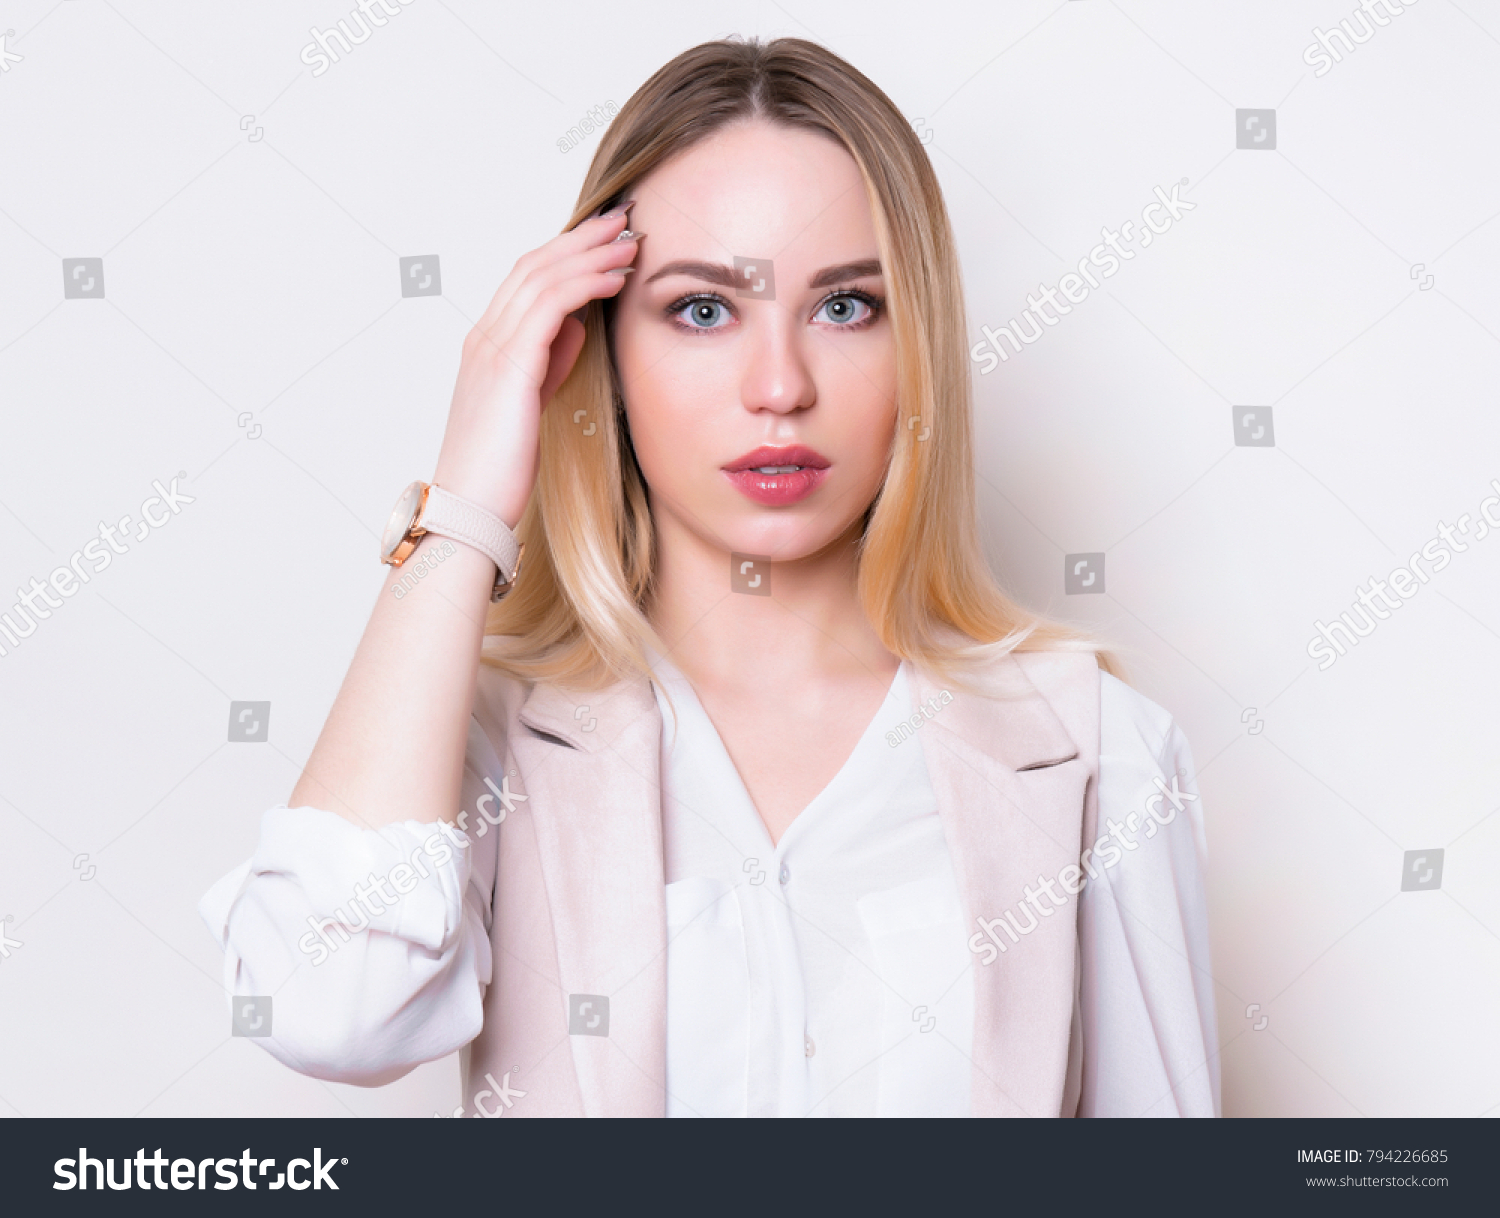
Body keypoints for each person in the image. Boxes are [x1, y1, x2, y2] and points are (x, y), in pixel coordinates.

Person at [200, 36, 1219, 1117]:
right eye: (700, 309)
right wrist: (463, 507)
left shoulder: (1099, 754)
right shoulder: (490, 747)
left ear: (918, 343)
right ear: (603, 352)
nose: (779, 386)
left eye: (844, 307)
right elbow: (321, 1009)